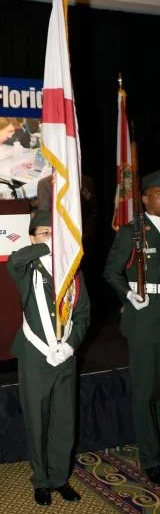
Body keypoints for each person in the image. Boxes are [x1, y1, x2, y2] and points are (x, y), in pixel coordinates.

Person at [7, 210, 90, 506]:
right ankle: (41, 480)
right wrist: (46, 246)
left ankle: (59, 478)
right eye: (44, 232)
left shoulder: (72, 271)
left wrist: (71, 345)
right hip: (35, 356)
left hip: (65, 355)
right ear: (32, 237)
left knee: (63, 421)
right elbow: (14, 261)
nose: (51, 238)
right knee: (37, 420)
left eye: (54, 233)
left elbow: (83, 314)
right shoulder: (27, 268)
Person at [103, 170, 160, 484]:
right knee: (145, 392)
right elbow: (111, 271)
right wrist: (128, 294)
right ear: (145, 198)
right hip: (145, 320)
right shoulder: (133, 232)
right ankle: (151, 458)